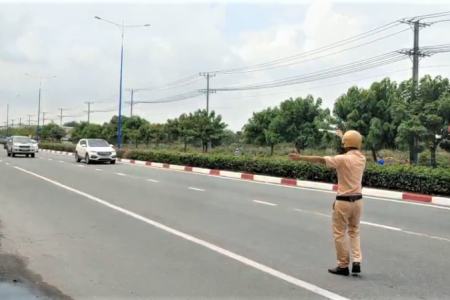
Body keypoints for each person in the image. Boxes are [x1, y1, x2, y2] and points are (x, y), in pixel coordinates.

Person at [288, 129, 366, 276]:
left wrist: (300, 157)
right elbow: (351, 144)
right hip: (358, 201)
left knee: (339, 233)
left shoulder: (342, 159)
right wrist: (343, 136)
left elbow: (320, 159)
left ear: (345, 144)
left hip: (343, 201)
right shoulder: (362, 159)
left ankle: (343, 265)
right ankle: (357, 260)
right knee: (354, 231)